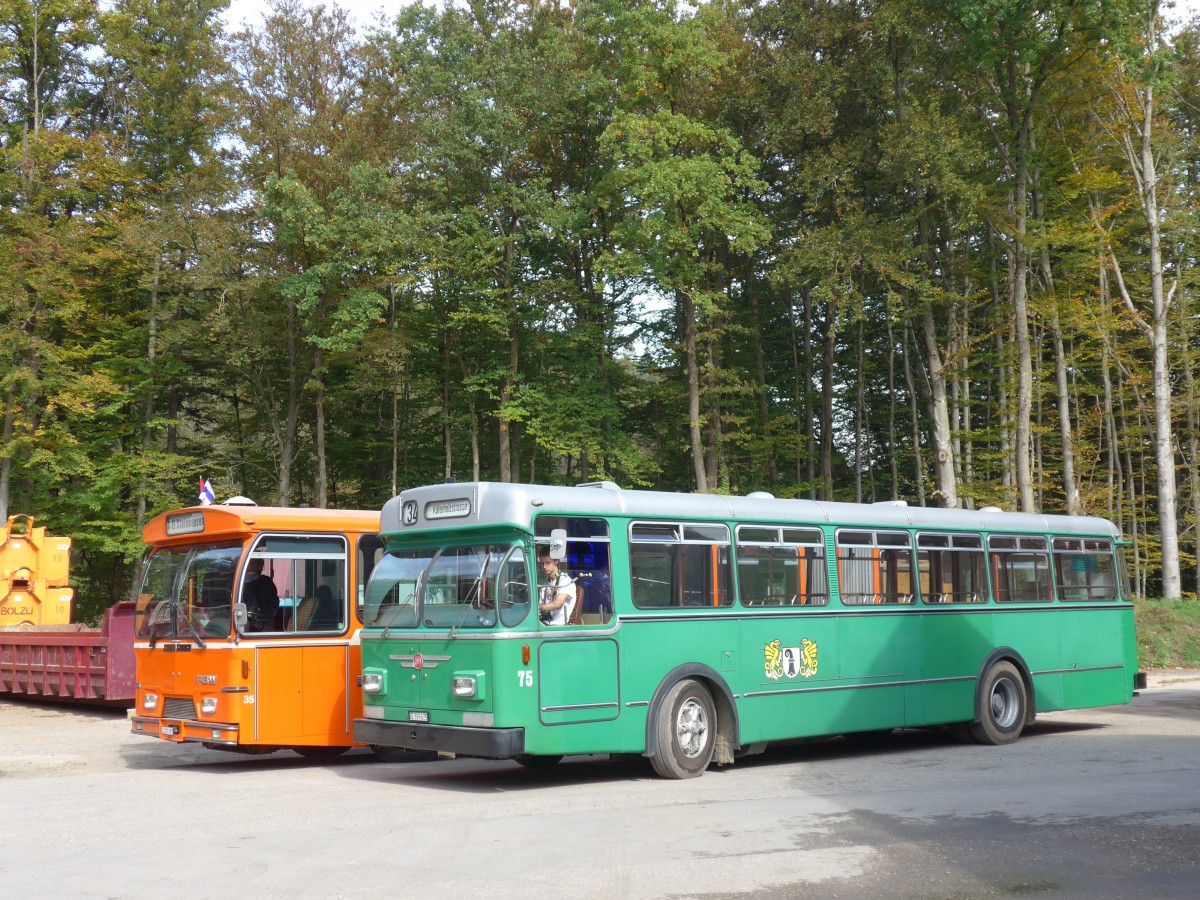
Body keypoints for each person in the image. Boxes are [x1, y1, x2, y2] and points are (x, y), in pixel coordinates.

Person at [537, 547, 576, 626]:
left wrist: (537, 607)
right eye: (542, 563)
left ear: (556, 561)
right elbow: (542, 605)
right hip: (545, 622)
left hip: (557, 626)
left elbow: (558, 604)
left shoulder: (566, 581)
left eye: (548, 563)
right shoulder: (546, 583)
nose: (544, 567)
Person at [241, 557, 279, 631]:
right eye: (262, 566)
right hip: (265, 624)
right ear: (258, 566)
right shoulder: (266, 582)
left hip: (242, 624)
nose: (262, 568)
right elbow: (275, 603)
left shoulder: (237, 582)